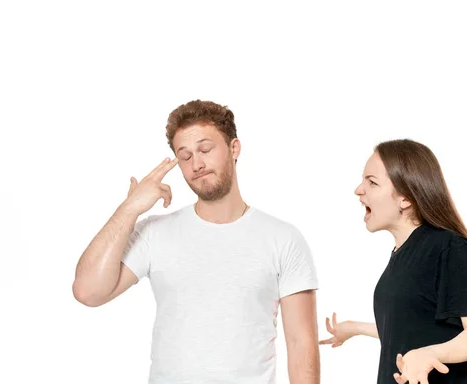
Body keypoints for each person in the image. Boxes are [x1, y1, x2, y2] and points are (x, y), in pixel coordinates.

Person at [73, 100, 320, 383]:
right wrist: (129, 208)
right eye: (185, 156)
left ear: (234, 148)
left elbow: (301, 346)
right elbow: (87, 291)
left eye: (205, 149)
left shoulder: (283, 239)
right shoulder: (155, 232)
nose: (197, 164)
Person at [320, 139, 467, 384]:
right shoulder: (401, 253)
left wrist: (430, 354)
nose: (359, 190)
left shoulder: (448, 247)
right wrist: (353, 328)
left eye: (372, 182)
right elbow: (409, 330)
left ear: (405, 199)